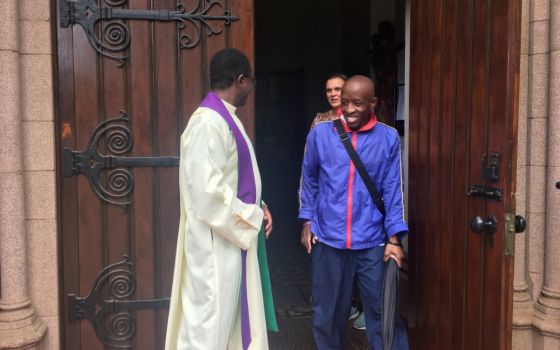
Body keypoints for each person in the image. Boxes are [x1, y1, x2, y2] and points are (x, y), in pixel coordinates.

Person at [165, 48, 275, 350]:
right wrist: (250, 217)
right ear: (240, 80)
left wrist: (260, 205)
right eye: (250, 81)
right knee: (209, 328)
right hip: (215, 248)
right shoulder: (207, 123)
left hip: (231, 239)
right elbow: (208, 193)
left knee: (230, 327)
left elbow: (235, 177)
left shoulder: (226, 117)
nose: (251, 88)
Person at [298, 75, 409, 349]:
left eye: (357, 103)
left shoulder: (387, 137)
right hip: (327, 239)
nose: (349, 109)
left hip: (372, 241)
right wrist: (307, 220)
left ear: (372, 103)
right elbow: (309, 179)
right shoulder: (320, 134)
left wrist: (395, 240)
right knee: (327, 314)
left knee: (383, 313)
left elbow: (394, 190)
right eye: (345, 102)